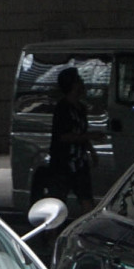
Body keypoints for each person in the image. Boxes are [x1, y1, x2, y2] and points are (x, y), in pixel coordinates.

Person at [47, 67, 98, 212]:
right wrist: (89, 137)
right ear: (72, 85)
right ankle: (51, 233)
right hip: (62, 163)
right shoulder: (62, 108)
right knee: (57, 202)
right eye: (79, 81)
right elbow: (62, 136)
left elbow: (81, 132)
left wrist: (91, 151)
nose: (82, 84)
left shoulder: (80, 108)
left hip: (80, 162)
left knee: (86, 198)